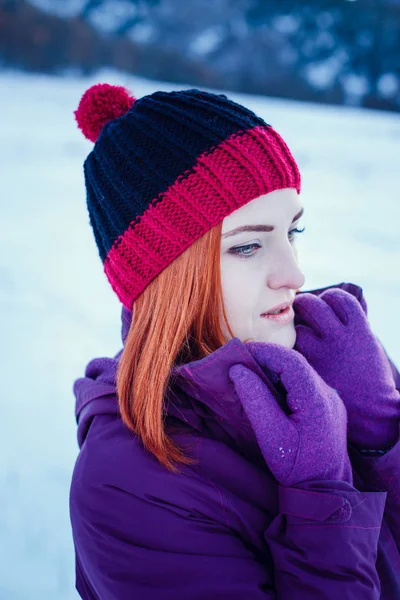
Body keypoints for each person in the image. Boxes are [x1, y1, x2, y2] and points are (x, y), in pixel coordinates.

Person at [69, 83, 400, 599]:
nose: (293, 273)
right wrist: (321, 498)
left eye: (293, 232)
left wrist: (381, 437)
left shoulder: (337, 366)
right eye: (247, 245)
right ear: (166, 277)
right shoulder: (126, 486)